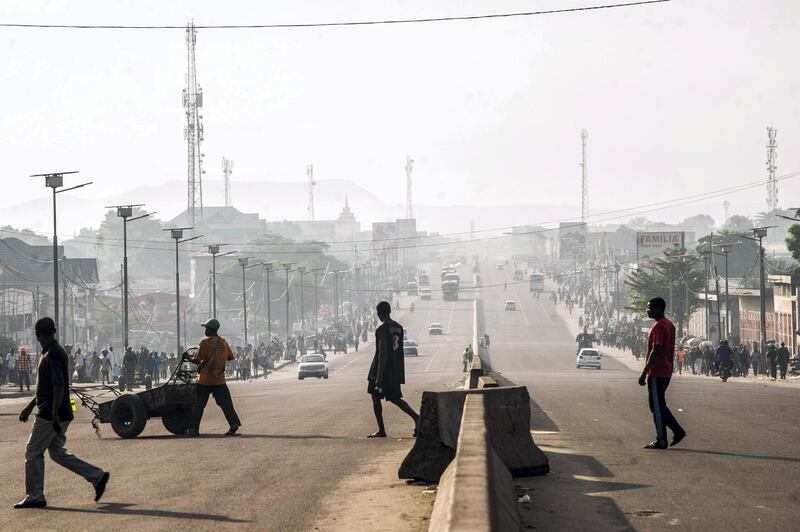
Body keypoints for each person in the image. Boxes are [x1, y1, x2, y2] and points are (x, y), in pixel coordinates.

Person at [14, 317, 109, 509]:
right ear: (54, 331)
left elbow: (58, 386)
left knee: (32, 452)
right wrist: (30, 406)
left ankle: (35, 496)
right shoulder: (52, 352)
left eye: (39, 335)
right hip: (54, 411)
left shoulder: (53, 354)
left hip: (50, 414)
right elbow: (48, 387)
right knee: (57, 453)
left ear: (38, 335)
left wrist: (55, 415)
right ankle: (97, 477)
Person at [638, 297, 686, 450]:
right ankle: (675, 432)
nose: (647, 310)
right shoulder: (670, 325)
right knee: (658, 405)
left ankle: (662, 439)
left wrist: (644, 372)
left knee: (657, 407)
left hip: (657, 371)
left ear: (658, 309)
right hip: (666, 371)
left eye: (649, 307)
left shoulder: (658, 326)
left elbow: (656, 350)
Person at [366, 301, 419, 438]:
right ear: (389, 311)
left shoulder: (381, 330)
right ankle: (416, 418)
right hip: (394, 369)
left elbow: (383, 352)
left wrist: (379, 375)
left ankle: (381, 430)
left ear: (379, 313)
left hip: (381, 369)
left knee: (375, 397)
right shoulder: (399, 328)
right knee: (396, 398)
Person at [185, 319, 242, 436]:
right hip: (219, 380)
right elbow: (230, 357)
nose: (205, 330)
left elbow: (197, 360)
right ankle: (234, 423)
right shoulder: (224, 343)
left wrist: (187, 357)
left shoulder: (205, 343)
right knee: (227, 404)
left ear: (210, 329)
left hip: (204, 380)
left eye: (206, 328)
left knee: (199, 405)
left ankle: (193, 429)